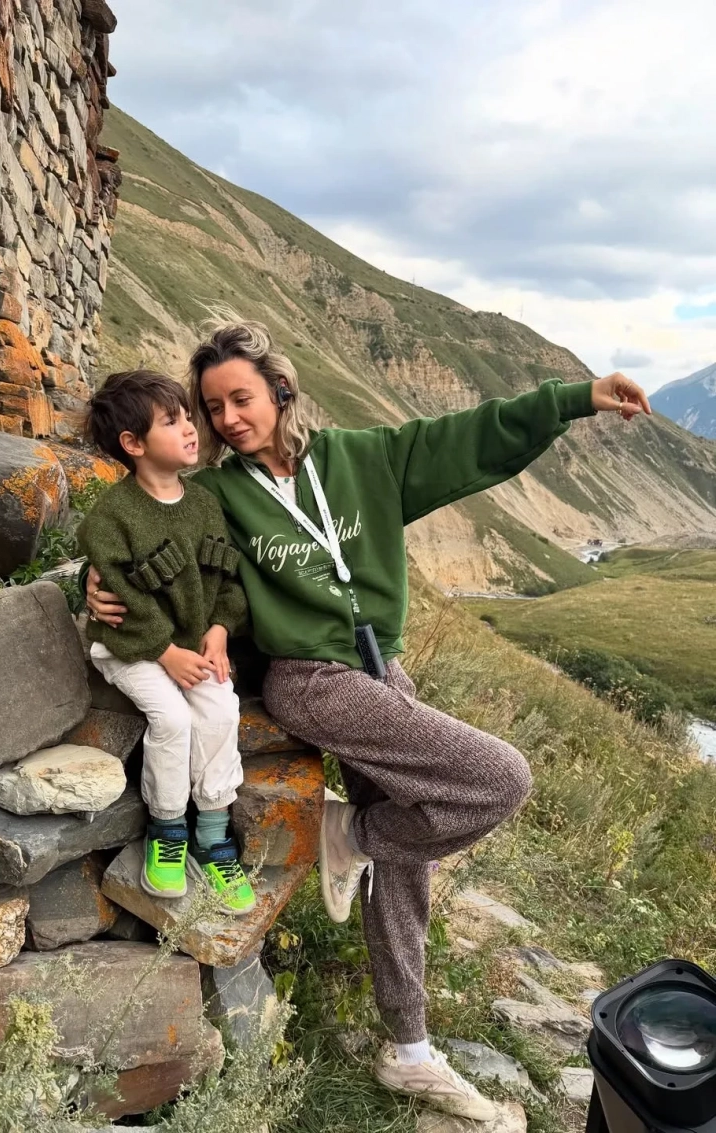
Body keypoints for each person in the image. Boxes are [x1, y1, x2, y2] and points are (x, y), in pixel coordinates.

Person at [85, 315, 651, 1120]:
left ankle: (408, 1044)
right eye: (212, 408)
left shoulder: (364, 458)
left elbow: (470, 438)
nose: (227, 419)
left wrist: (577, 397)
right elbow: (142, 526)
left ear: (281, 390)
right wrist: (90, 586)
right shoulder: (218, 494)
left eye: (241, 399)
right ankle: (346, 835)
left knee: (408, 855)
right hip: (309, 679)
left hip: (382, 671)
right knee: (503, 777)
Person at [79, 369, 255, 915]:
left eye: (186, 417)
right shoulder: (111, 518)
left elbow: (227, 577)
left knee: (221, 710)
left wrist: (219, 630)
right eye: (171, 421)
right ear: (133, 444)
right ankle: (168, 829)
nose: (189, 429)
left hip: (191, 647)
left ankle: (214, 833)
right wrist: (165, 652)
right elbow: (121, 600)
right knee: (173, 720)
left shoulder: (202, 504)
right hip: (130, 647)